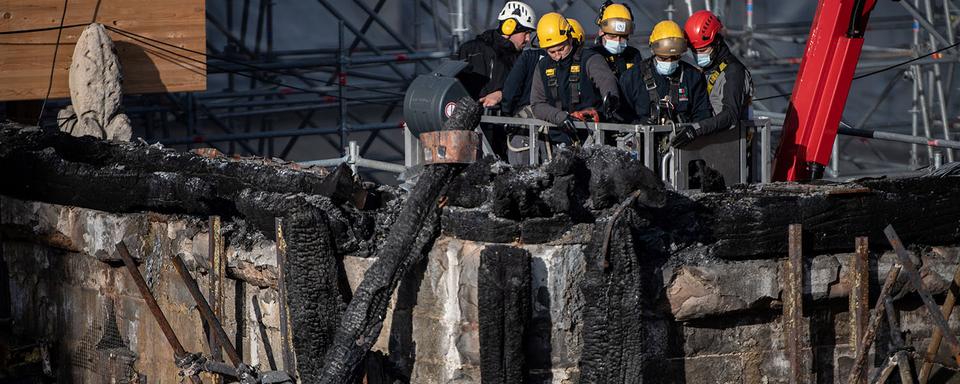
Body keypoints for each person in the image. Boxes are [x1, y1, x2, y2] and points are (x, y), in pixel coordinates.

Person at [454, 1, 535, 157]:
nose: (527, 39)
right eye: (525, 32)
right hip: (472, 134)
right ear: (509, 27)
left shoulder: (523, 58)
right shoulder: (471, 50)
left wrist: (501, 94)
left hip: (505, 135)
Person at [502, 18, 585, 164]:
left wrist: (507, 115)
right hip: (542, 130)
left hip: (530, 128)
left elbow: (510, 92)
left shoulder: (531, 57)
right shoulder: (568, 64)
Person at [530, 13, 620, 146]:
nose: (557, 56)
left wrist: (611, 98)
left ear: (570, 38)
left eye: (561, 49)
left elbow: (606, 81)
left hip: (592, 137)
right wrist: (560, 118)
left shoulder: (590, 59)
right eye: (551, 52)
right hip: (558, 139)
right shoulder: (542, 66)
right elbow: (537, 104)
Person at [669, 10, 755, 148]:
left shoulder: (733, 71)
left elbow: (730, 115)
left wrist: (696, 129)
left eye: (702, 50)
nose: (698, 55)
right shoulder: (705, 70)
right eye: (694, 50)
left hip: (731, 148)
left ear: (716, 42)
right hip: (708, 147)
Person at [619, 20, 711, 127]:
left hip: (684, 140)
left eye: (674, 57)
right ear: (653, 51)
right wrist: (638, 125)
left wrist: (691, 132)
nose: (669, 62)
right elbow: (622, 115)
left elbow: (702, 113)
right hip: (641, 140)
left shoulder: (693, 77)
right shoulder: (631, 78)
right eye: (663, 57)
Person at [590, 2, 642, 78]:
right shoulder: (592, 55)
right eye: (612, 36)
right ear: (601, 31)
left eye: (623, 36)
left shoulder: (634, 55)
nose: (617, 41)